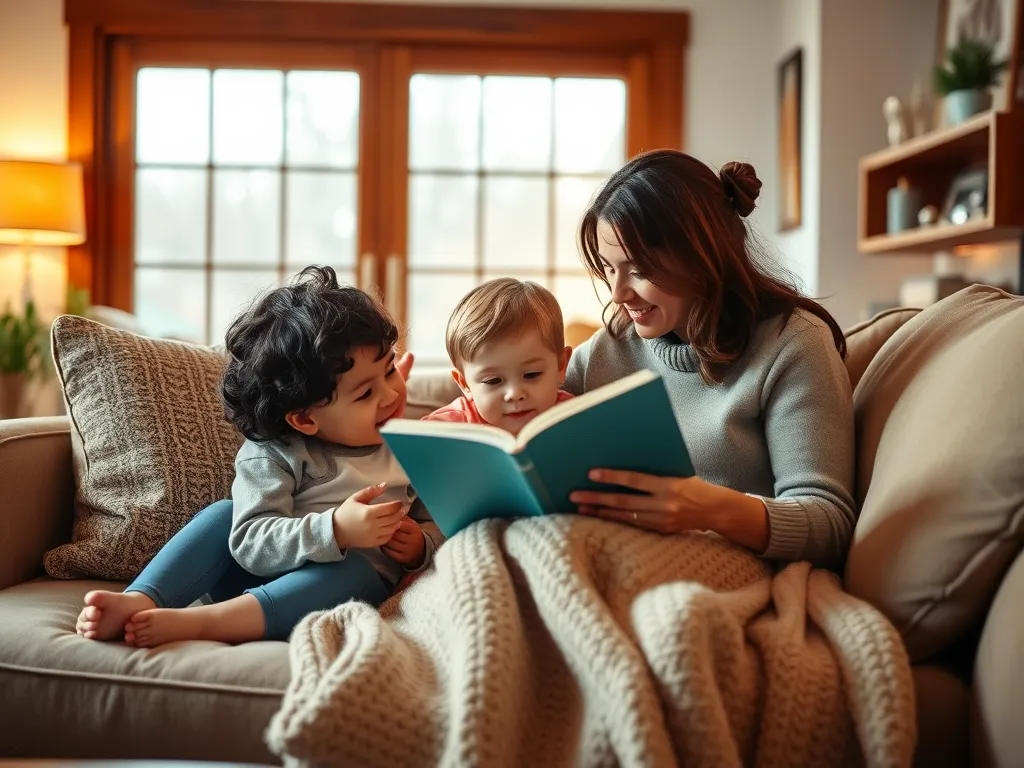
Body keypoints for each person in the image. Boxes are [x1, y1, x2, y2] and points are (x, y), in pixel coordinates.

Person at [75, 266, 442, 646]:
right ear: (304, 418)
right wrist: (334, 530)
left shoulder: (411, 445)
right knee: (222, 514)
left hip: (329, 590)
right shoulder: (276, 453)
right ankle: (141, 599)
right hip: (252, 579)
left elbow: (435, 524)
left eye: (390, 371)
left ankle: (204, 623)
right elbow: (250, 541)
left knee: (358, 573)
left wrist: (419, 547)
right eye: (365, 394)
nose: (390, 395)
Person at [565, 149, 856, 570]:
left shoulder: (792, 346)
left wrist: (709, 509)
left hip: (719, 570)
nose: (617, 293)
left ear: (702, 254)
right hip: (604, 557)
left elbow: (828, 523)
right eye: (609, 269)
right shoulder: (606, 351)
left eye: (638, 270)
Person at [425, 277, 573, 433]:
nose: (515, 394)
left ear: (561, 365)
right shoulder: (446, 427)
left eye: (531, 374)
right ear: (464, 383)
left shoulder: (576, 417)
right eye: (493, 380)